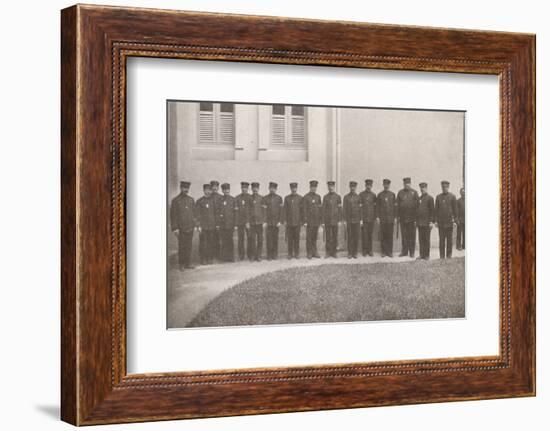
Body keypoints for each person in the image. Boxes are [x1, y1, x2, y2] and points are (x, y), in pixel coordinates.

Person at [169, 181, 196, 270]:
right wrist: (175, 228)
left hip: (190, 227)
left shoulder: (191, 200)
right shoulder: (176, 200)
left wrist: (194, 225)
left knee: (189, 246)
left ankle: (188, 263)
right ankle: (181, 264)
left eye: (187, 188)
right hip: (181, 228)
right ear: (181, 188)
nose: (186, 190)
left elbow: (194, 214)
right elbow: (173, 216)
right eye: (184, 188)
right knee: (182, 246)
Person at [397, 177, 419, 258]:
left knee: (412, 236)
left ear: (410, 183)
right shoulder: (400, 193)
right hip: (403, 218)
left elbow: (417, 207)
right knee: (404, 236)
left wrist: (416, 219)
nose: (407, 185)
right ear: (403, 184)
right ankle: (404, 251)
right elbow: (398, 206)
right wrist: (398, 217)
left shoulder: (414, 192)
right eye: (405, 183)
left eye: (408, 183)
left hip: (412, 219)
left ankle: (412, 252)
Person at [435, 180, 458, 259]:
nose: (444, 188)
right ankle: (441, 256)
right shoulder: (438, 197)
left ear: (448, 187)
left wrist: (455, 221)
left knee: (449, 241)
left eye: (446, 187)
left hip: (449, 222)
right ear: (441, 187)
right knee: (441, 240)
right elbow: (436, 210)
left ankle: (449, 256)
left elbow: (455, 210)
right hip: (441, 223)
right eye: (443, 187)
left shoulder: (452, 197)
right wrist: (436, 221)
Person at [196, 183, 217, 265]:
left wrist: (216, 224)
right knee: (203, 243)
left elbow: (216, 213)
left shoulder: (213, 201)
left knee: (211, 243)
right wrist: (198, 225)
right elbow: (197, 214)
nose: (208, 192)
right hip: (203, 226)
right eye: (206, 190)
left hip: (212, 226)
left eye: (209, 190)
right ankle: (203, 259)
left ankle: (210, 258)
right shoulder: (199, 201)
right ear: (204, 190)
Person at [301, 180, 323, 259]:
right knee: (309, 237)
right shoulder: (306, 197)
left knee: (314, 237)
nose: (314, 188)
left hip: (316, 221)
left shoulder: (318, 197)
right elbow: (304, 210)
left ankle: (315, 252)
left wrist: (321, 220)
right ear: (310, 187)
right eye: (312, 187)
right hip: (309, 221)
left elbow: (320, 209)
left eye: (315, 187)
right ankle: (309, 252)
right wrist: (305, 221)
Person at [263, 182, 283, 260]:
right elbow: (264, 211)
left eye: (274, 188)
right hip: (268, 222)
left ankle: (275, 254)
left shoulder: (279, 198)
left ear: (276, 189)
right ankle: (269, 255)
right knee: (269, 239)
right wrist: (264, 221)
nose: (272, 190)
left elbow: (281, 211)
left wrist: (280, 221)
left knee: (275, 239)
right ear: (269, 188)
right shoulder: (265, 198)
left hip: (276, 222)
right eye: (271, 188)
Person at [217, 183, 237, 262]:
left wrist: (235, 224)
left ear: (229, 190)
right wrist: (218, 224)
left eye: (227, 190)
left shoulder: (233, 199)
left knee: (230, 241)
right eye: (224, 190)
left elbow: (235, 213)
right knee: (223, 241)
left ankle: (231, 257)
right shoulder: (220, 200)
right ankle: (224, 258)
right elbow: (217, 212)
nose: (226, 191)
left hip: (230, 224)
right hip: (222, 224)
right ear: (222, 190)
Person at [377, 179, 396, 257]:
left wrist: (395, 217)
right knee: (383, 235)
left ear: (389, 185)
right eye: (385, 184)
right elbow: (377, 207)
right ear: (383, 185)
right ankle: (383, 252)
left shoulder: (392, 195)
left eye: (387, 184)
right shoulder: (380, 195)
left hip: (390, 219)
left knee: (390, 235)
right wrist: (378, 217)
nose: (386, 186)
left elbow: (395, 207)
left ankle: (390, 252)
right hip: (383, 219)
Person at [322, 181, 342, 258]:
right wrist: (323, 221)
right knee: (328, 237)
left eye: (332, 186)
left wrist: (339, 220)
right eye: (329, 186)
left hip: (335, 220)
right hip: (327, 220)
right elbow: (323, 210)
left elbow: (340, 210)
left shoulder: (338, 197)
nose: (331, 188)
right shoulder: (325, 197)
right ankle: (327, 252)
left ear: (334, 187)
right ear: (328, 187)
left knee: (334, 236)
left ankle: (334, 252)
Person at [284, 182, 303, 259]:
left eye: (295, 188)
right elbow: (284, 210)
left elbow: (302, 211)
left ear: (296, 188)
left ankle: (297, 253)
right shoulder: (287, 198)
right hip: (289, 222)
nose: (293, 189)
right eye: (292, 188)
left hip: (297, 222)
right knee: (290, 239)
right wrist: (285, 220)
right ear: (290, 189)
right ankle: (290, 254)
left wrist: (301, 221)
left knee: (297, 238)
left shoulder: (300, 198)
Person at [416, 182, 435, 260]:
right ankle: (421, 255)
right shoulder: (419, 198)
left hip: (427, 223)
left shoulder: (430, 198)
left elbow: (432, 211)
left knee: (426, 239)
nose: (422, 189)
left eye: (423, 188)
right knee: (421, 239)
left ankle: (427, 255)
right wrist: (417, 222)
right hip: (420, 223)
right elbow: (417, 211)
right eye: (421, 188)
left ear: (426, 188)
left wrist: (431, 222)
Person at [343, 181, 361, 258]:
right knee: (350, 236)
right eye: (351, 187)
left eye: (354, 187)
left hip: (357, 220)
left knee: (356, 236)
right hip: (349, 220)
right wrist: (344, 220)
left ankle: (355, 252)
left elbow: (360, 209)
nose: (352, 188)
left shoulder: (358, 197)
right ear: (349, 187)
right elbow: (344, 209)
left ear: (356, 188)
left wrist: (361, 220)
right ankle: (350, 252)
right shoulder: (346, 197)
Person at [248, 182, 266, 262]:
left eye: (256, 188)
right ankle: (252, 256)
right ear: (251, 189)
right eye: (253, 188)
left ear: (258, 189)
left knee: (260, 239)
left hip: (260, 223)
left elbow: (264, 211)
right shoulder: (249, 198)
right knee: (252, 240)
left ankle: (259, 256)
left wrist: (264, 221)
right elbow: (246, 211)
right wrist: (247, 222)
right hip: (252, 223)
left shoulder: (262, 198)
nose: (255, 189)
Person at [235, 181, 252, 261]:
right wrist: (237, 223)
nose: (244, 189)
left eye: (245, 188)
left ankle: (250, 255)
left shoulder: (250, 197)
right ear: (241, 188)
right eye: (243, 188)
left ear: (248, 189)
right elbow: (236, 211)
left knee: (249, 238)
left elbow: (251, 211)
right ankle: (241, 255)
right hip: (240, 222)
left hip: (248, 222)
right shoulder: (237, 198)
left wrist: (248, 221)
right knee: (240, 239)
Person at [359, 179, 377, 257]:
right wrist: (361, 219)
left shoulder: (373, 195)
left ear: (371, 186)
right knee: (364, 235)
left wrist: (375, 217)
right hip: (364, 219)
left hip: (371, 219)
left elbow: (375, 207)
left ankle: (370, 250)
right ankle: (364, 251)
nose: (368, 186)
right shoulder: (361, 195)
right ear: (365, 185)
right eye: (367, 185)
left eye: (370, 185)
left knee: (370, 235)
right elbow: (360, 208)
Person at [209, 180, 223, 260]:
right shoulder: (208, 197)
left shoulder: (221, 197)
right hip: (211, 221)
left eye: (216, 187)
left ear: (218, 188)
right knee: (210, 240)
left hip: (219, 222)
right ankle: (211, 256)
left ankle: (218, 256)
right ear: (211, 188)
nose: (214, 188)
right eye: (213, 187)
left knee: (218, 239)